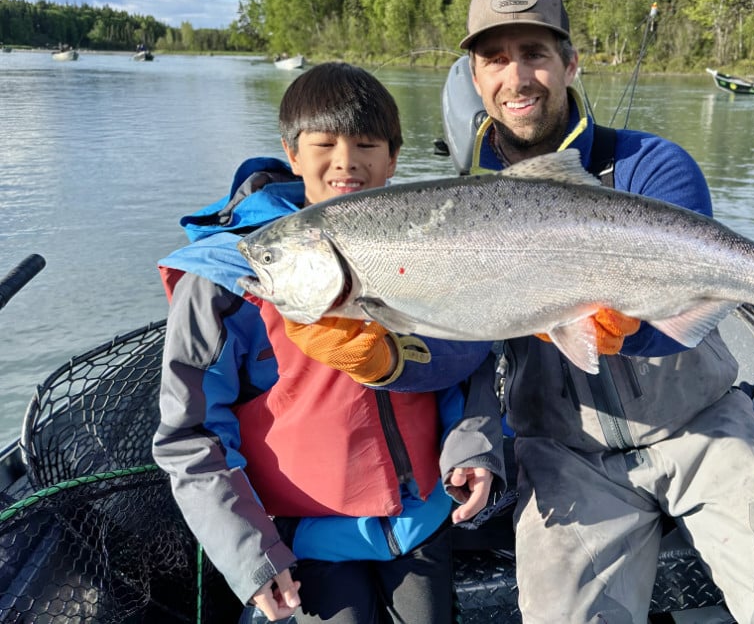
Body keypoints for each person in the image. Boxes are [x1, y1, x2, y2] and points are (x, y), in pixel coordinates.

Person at [452, 0, 754, 623]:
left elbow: (690, 306)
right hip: (566, 457)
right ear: (476, 77)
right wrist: (474, 447)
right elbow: (468, 355)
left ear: (569, 63)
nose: (518, 76)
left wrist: (627, 327)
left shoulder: (653, 164)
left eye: (535, 53)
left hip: (704, 427)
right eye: (496, 59)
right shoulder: (458, 207)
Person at [153, 62, 504, 623]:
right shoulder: (223, 280)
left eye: (366, 143)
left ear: (393, 159)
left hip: (423, 523)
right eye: (325, 143)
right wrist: (253, 554)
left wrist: (474, 447)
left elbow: (470, 361)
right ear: (292, 154)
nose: (346, 160)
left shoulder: (429, 248)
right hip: (305, 540)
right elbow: (189, 437)